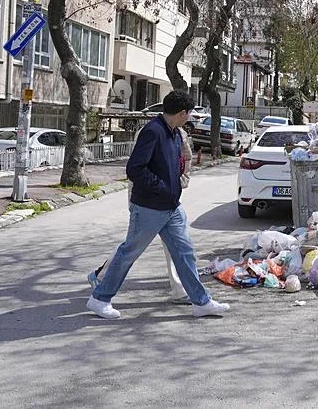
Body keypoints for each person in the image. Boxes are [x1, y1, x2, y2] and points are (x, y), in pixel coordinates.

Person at [86, 91, 229, 319]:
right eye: (189, 113)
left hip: (171, 207)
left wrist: (177, 184)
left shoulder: (173, 133)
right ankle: (99, 298)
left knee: (185, 253)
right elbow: (135, 169)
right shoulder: (153, 131)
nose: (189, 117)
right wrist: (162, 187)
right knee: (129, 252)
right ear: (182, 113)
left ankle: (201, 302)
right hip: (149, 207)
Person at [87, 126, 193, 304]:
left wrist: (181, 181)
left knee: (175, 245)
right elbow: (137, 168)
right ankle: (101, 276)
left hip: (168, 200)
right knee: (134, 245)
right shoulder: (150, 132)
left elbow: (186, 160)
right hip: (145, 199)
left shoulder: (180, 134)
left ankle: (180, 289)